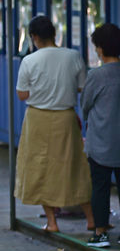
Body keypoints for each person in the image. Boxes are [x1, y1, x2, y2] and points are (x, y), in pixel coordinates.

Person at [15, 15, 93, 232]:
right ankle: (90, 219)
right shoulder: (73, 56)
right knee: (75, 165)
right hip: (66, 117)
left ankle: (52, 222)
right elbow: (81, 87)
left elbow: (22, 94)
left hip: (37, 119)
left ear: (34, 37)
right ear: (54, 34)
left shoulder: (29, 60)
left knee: (40, 168)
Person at [82, 23, 120, 248]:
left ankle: (101, 231)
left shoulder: (97, 75)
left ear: (101, 48)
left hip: (100, 142)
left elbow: (85, 105)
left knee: (100, 187)